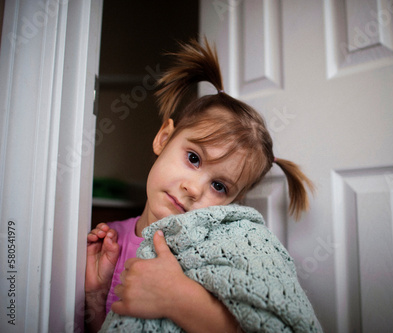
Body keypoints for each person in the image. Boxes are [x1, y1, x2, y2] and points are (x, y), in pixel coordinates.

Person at [85, 38, 316, 333]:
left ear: (233, 203)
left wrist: (178, 299)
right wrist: (95, 296)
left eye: (219, 186)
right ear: (164, 138)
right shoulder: (109, 241)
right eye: (194, 158)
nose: (194, 189)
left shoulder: (219, 256)